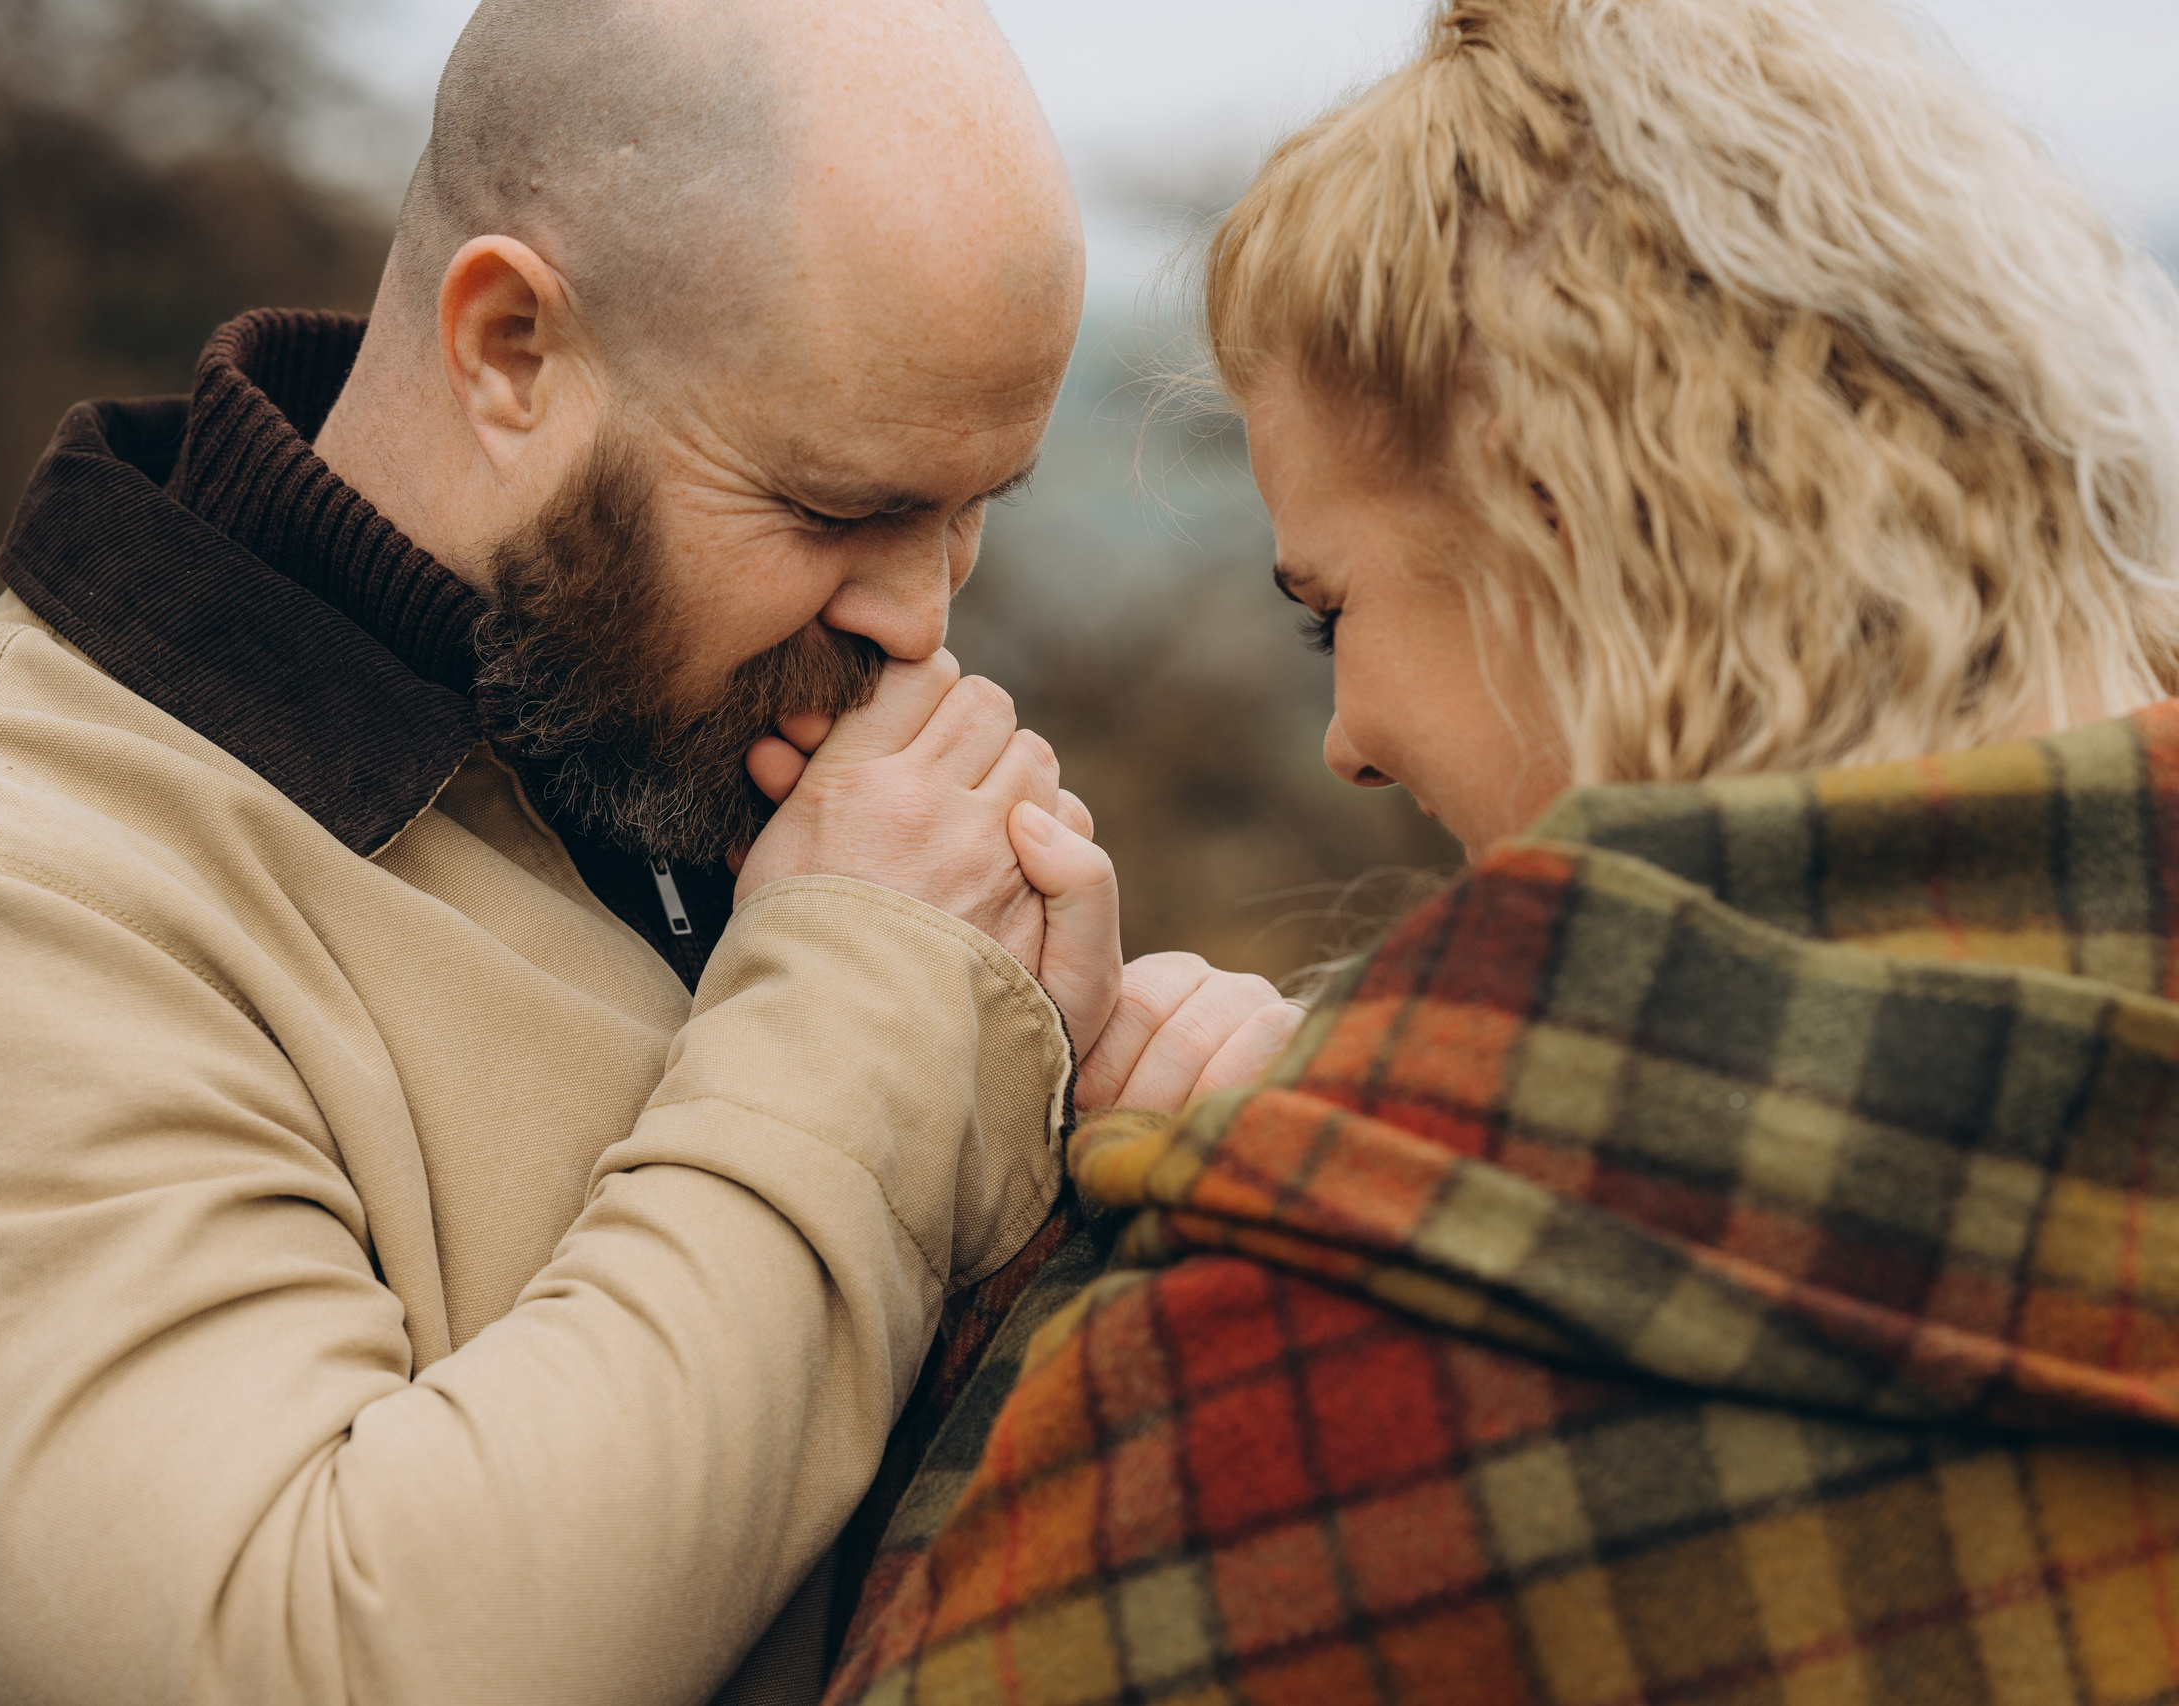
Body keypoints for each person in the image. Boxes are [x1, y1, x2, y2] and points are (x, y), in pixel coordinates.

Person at [0, 2, 1303, 1702]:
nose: (921, 618)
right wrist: (879, 997)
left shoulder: (709, 745)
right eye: (837, 508)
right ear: (510, 342)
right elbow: (318, 1660)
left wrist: (1122, 1167)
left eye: (975, 510)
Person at [830, 1, 2179, 1701]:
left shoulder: (1298, 1383)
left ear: (1570, 530)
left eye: (1333, 615)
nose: (1349, 739)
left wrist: (1172, 1235)